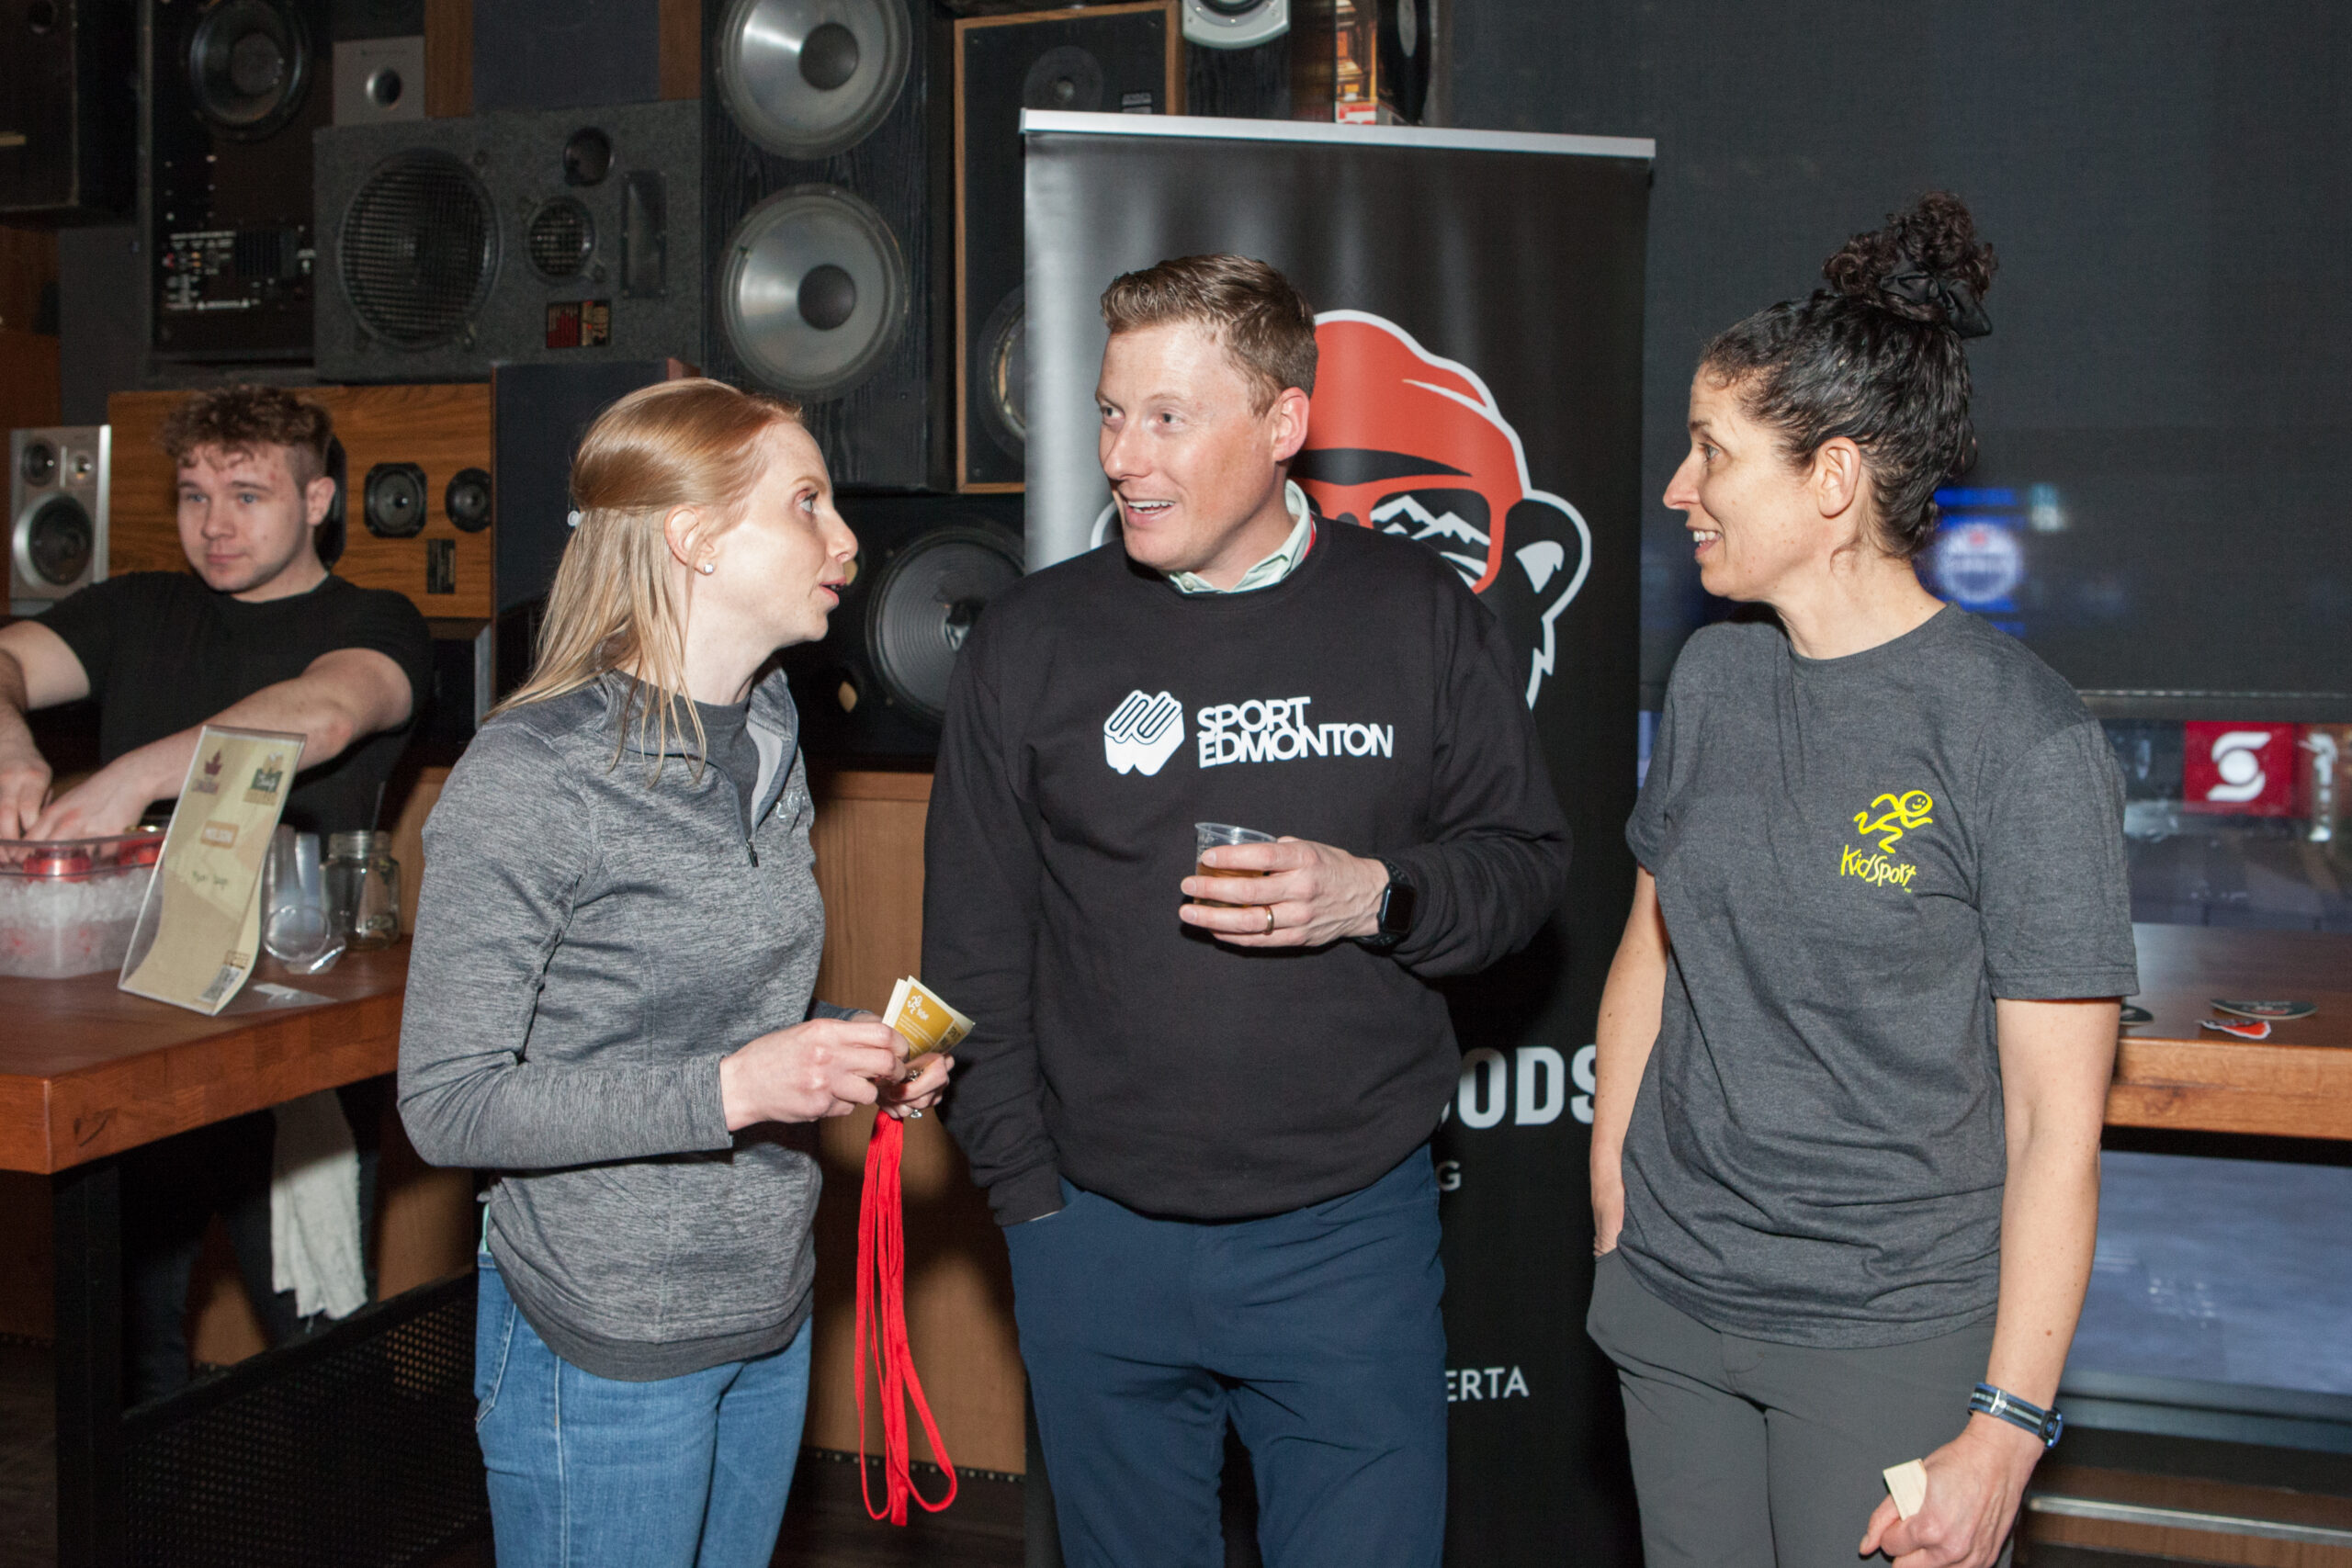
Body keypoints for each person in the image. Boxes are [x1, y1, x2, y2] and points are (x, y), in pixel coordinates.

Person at [922, 254, 1570, 1567]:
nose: (1124, 456)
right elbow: (972, 949)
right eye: (1112, 413)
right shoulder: (1031, 641)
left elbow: (1523, 865)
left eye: (1169, 418)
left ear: (1284, 423)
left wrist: (1374, 894)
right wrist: (1030, 1203)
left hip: (1346, 1238)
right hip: (1094, 1236)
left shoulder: (1417, 614)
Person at [1584, 193, 2136, 1568]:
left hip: (1889, 1332)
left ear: (1830, 480)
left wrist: (2009, 1423)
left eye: (1712, 451)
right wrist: (1611, 1179)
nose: (1679, 488)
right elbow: (1654, 941)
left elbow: (2053, 1125)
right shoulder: (1713, 677)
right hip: (1674, 1301)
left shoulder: (2022, 737)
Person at [398, 378, 953, 1568]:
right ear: (694, 537)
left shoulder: (770, 732)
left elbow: (718, 1015)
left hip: (766, 1306)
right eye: (806, 502)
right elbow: (448, 1103)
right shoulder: (533, 771)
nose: (847, 540)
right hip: (602, 1335)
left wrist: (843, 1046)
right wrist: (739, 1089)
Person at [0, 384, 434, 1402]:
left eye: (247, 495)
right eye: (195, 496)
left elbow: (324, 713)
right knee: (124, 1352)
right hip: (132, 1027)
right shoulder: (134, 608)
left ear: (317, 500)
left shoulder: (375, 620)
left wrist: (129, 777)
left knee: (320, 1341)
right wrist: (12, 744)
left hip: (287, 1036)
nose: (215, 524)